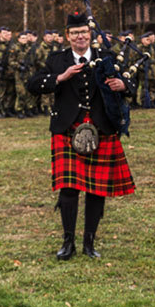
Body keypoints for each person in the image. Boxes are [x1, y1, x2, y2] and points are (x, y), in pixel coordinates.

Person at [27, 13, 136, 260]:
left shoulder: (106, 57)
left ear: (90, 34)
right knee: (68, 189)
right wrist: (60, 77)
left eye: (84, 32)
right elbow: (32, 84)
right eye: (75, 33)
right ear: (68, 36)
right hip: (67, 128)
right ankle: (68, 242)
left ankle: (89, 242)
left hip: (101, 129)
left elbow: (131, 84)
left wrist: (123, 86)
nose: (80, 37)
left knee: (96, 190)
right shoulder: (57, 60)